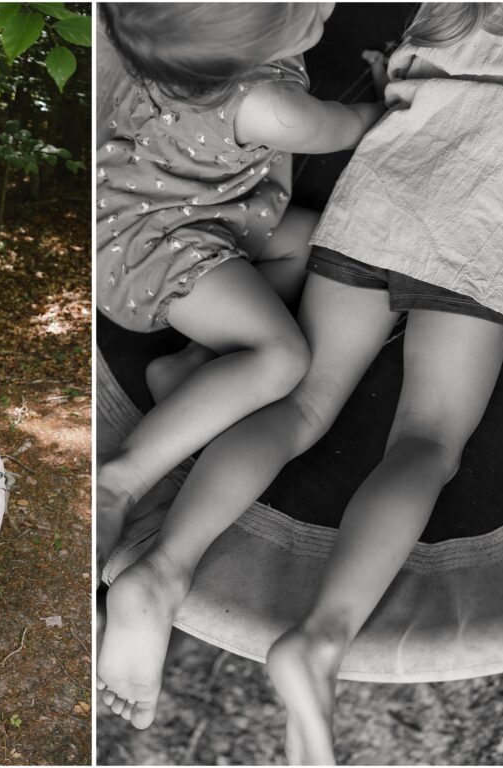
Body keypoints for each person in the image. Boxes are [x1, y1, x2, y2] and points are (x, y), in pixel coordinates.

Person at [95, 2, 389, 730]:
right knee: (282, 357)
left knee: (306, 244)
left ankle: (191, 368)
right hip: (164, 247)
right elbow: (350, 127)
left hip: (177, 215)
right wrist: (388, 92)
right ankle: (119, 481)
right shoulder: (272, 107)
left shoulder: (165, 53)